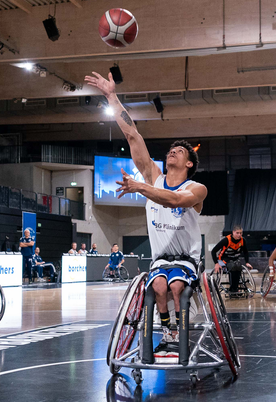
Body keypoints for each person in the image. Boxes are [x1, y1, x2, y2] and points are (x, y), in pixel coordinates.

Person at [87, 69, 207, 362]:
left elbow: (175, 199)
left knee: (177, 286)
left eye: (179, 151)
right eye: (171, 149)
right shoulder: (153, 175)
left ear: (189, 163)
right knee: (159, 285)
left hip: (187, 258)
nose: (173, 152)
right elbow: (131, 133)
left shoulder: (197, 188)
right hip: (161, 257)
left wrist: (140, 187)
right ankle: (168, 333)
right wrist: (111, 96)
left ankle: (180, 333)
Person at [211, 226, 250, 295]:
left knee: (238, 267)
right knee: (232, 266)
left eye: (241, 233)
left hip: (235, 259)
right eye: (237, 233)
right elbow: (213, 251)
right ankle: (233, 288)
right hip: (224, 259)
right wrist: (216, 263)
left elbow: (245, 252)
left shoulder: (243, 240)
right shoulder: (226, 240)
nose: (239, 235)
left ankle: (235, 288)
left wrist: (247, 262)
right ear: (233, 232)